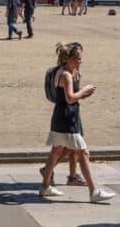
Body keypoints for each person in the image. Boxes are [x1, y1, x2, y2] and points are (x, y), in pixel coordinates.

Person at [39, 43, 116, 203]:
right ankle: (94, 191)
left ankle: (45, 186)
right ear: (71, 59)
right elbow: (70, 98)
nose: (81, 61)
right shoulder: (66, 74)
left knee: (56, 151)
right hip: (68, 118)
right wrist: (84, 91)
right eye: (78, 59)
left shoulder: (65, 72)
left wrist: (82, 94)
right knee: (83, 153)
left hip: (62, 116)